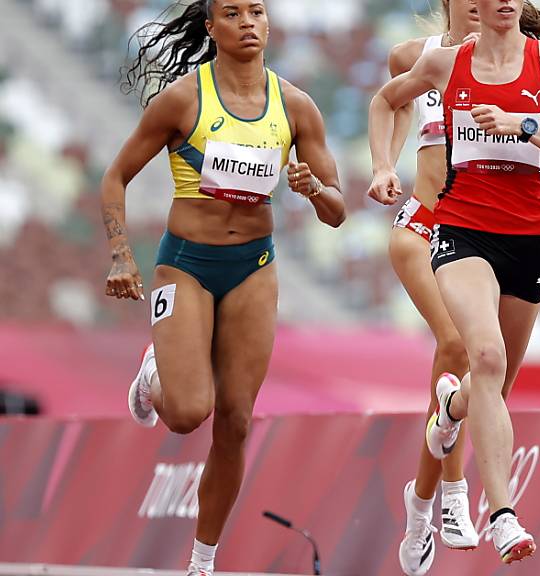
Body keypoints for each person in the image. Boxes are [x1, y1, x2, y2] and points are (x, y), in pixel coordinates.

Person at [102, 2, 346, 574]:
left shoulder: (297, 107)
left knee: (236, 421)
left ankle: (202, 562)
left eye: (256, 11)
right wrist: (121, 256)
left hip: (253, 266)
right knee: (189, 414)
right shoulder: (184, 99)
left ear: (268, 24)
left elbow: (337, 211)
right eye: (231, 13)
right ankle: (155, 372)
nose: (247, 22)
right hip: (185, 264)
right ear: (210, 28)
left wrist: (313, 189)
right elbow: (115, 176)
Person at [367, 0, 540, 565]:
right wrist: (383, 166)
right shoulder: (442, 63)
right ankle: (498, 514)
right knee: (484, 356)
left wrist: (530, 130)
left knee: (493, 383)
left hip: (528, 236)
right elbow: (385, 101)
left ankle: (450, 410)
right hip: (456, 226)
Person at [381, 2, 482, 574]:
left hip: (479, 234)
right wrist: (383, 165)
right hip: (421, 224)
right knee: (456, 346)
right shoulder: (413, 57)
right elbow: (391, 108)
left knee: (464, 367)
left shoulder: (522, 64)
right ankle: (452, 492)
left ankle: (420, 503)